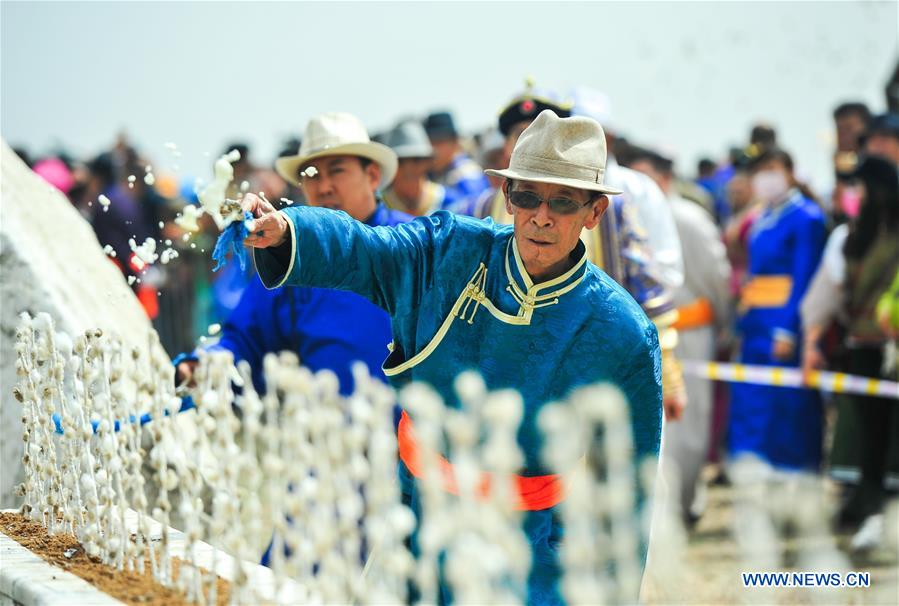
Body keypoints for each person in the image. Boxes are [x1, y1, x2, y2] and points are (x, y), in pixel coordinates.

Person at [244, 110, 663, 603]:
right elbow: (367, 248)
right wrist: (290, 230)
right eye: (527, 196)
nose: (540, 216)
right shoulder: (450, 251)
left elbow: (629, 490)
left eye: (563, 203)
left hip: (534, 546)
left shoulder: (624, 331)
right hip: (423, 519)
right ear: (508, 196)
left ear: (594, 212)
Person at [175, 112, 412, 395]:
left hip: (416, 432)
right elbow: (247, 339)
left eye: (337, 170)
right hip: (330, 431)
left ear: (372, 175)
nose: (324, 187)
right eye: (312, 175)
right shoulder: (292, 257)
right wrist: (205, 366)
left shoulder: (411, 243)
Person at [629, 148, 731, 524]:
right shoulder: (621, 210)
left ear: (665, 178)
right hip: (642, 334)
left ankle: (684, 502)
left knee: (687, 426)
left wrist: (724, 325)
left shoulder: (688, 218)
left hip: (687, 332)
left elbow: (716, 280)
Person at [730, 147, 826, 473]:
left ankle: (792, 477)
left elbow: (805, 278)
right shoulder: (763, 216)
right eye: (759, 171)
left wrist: (788, 328)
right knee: (754, 402)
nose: (765, 177)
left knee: (786, 406)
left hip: (782, 322)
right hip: (755, 322)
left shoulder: (807, 217)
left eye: (772, 168)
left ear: (788, 170)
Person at [422, 110, 490, 212]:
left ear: (454, 142)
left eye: (439, 141)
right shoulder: (429, 171)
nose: (433, 148)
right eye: (429, 141)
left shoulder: (468, 173)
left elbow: (472, 213)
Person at [381, 120, 449, 216]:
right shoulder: (378, 207)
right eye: (401, 161)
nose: (408, 168)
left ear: (428, 162)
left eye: (417, 159)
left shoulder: (446, 201)